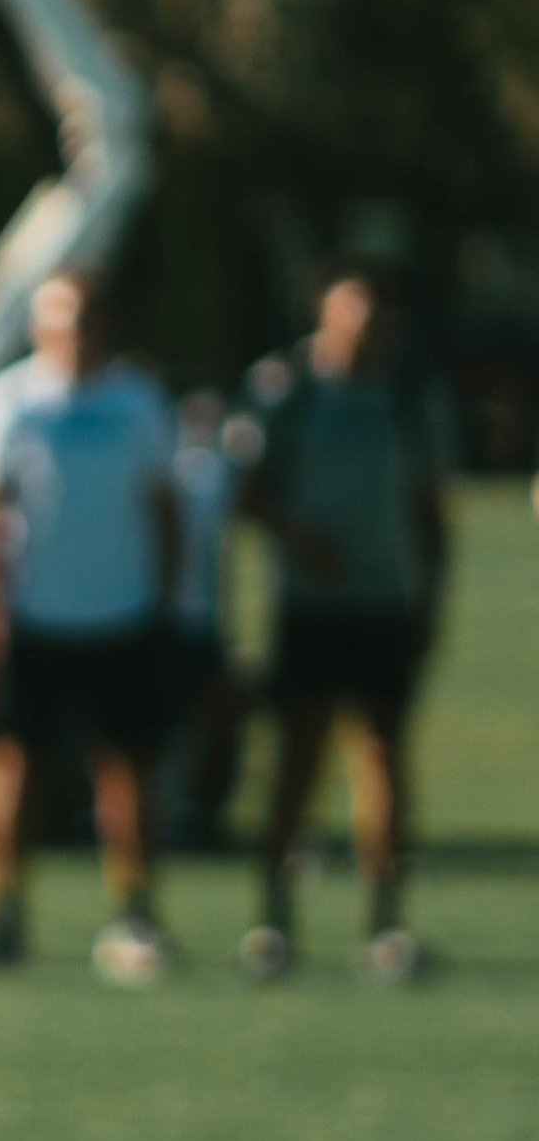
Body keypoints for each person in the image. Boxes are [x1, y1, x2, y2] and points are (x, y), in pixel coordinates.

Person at [0, 269, 180, 983]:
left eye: (90, 320)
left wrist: (164, 601)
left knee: (128, 766)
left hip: (121, 611)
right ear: (40, 328)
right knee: (17, 765)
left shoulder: (138, 404)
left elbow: (165, 510)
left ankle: (135, 912)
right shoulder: (8, 402)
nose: (79, 336)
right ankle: (4, 913)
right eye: (65, 321)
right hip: (34, 617)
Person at [237, 263, 452, 983]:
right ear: (325, 317)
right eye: (353, 321)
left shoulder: (410, 395)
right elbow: (249, 495)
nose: (366, 338)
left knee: (384, 756)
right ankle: (273, 915)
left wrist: (430, 603)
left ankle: (385, 920)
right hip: (310, 606)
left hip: (384, 602)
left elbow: (431, 511)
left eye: (377, 324)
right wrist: (301, 538)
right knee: (298, 759)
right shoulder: (289, 391)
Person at [157, 385, 246, 855]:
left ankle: (188, 811)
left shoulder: (210, 471)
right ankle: (174, 811)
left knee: (198, 724)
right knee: (168, 728)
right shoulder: (191, 471)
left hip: (194, 621)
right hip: (170, 620)